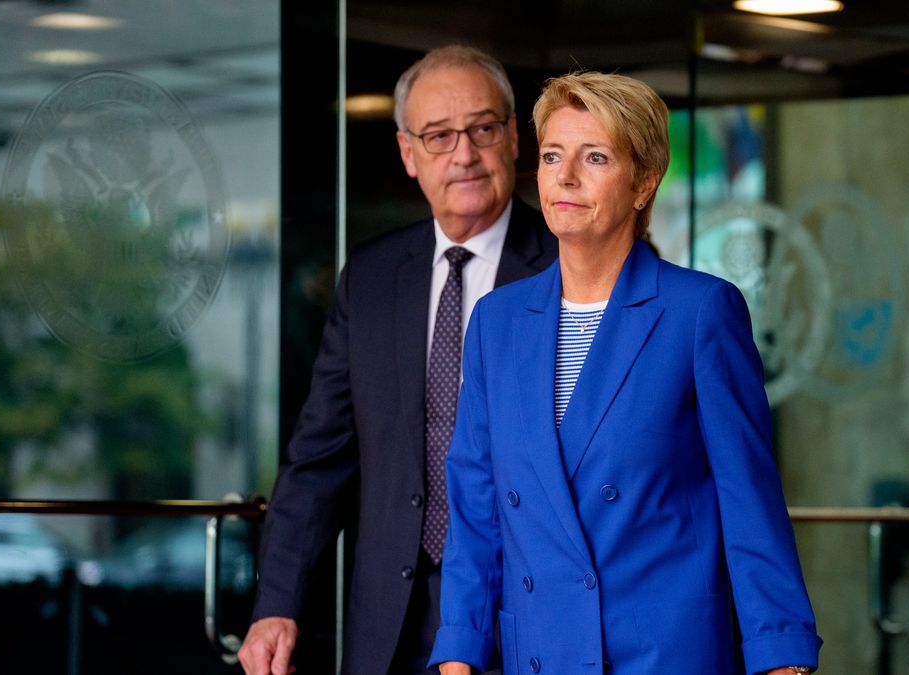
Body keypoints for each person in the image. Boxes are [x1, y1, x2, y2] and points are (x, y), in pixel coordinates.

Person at [430, 72, 822, 675]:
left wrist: (780, 654)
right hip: (539, 652)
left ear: (643, 183)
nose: (565, 176)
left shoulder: (699, 311)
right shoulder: (496, 322)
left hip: (662, 654)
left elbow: (749, 498)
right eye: (554, 155)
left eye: (595, 157)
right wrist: (459, 653)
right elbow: (476, 509)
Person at [239, 45, 557, 675]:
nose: (464, 154)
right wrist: (276, 603)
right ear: (409, 155)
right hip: (392, 617)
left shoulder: (564, 266)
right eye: (439, 136)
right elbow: (318, 459)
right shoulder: (373, 278)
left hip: (527, 611)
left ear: (515, 139)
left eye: (482, 129)